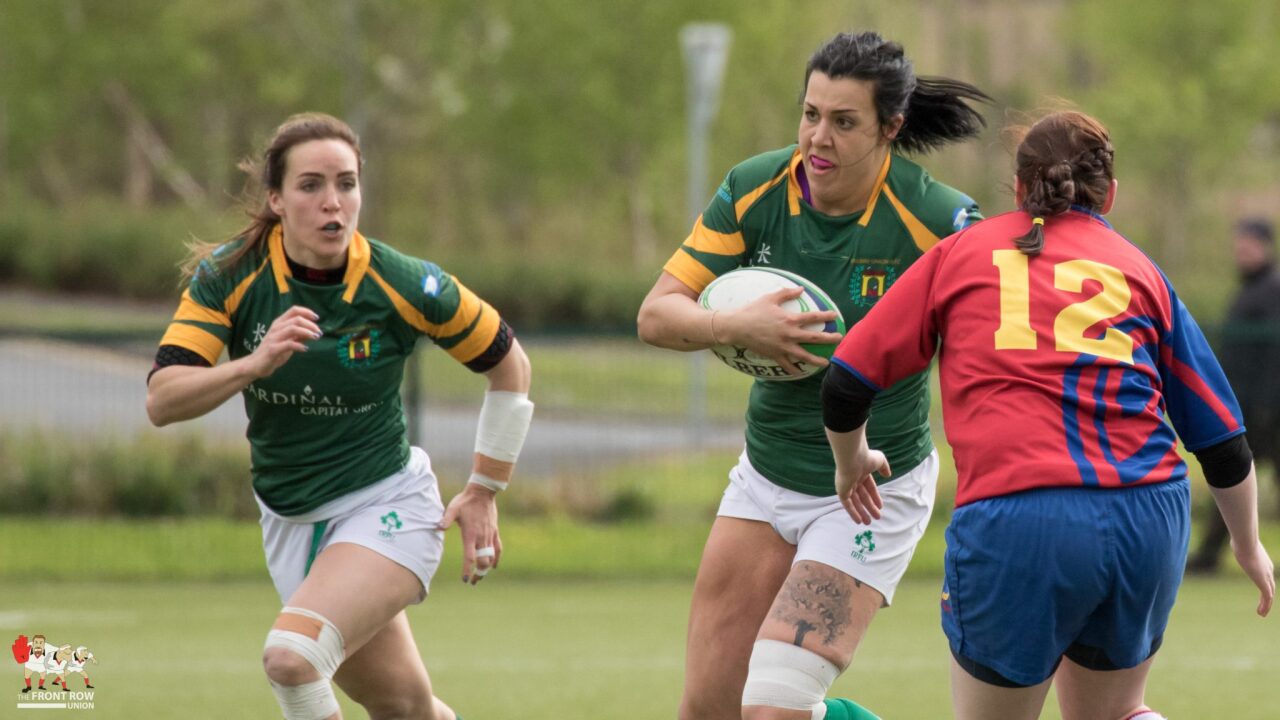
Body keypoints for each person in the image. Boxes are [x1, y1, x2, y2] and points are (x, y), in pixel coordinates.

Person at [821, 110, 1275, 720]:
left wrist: (851, 463)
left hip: (1020, 517)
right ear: (1109, 193)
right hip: (1148, 515)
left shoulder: (962, 253)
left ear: (1017, 187)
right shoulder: (1141, 271)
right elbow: (1224, 444)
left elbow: (846, 382)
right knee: (1116, 713)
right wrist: (1248, 546)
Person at [637, 31, 989, 720]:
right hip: (766, 478)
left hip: (868, 489)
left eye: (843, 121)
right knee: (708, 710)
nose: (817, 138)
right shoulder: (754, 188)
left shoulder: (936, 220)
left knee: (773, 705)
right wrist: (731, 327)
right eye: (810, 114)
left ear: (891, 127)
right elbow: (656, 315)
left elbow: (996, 341)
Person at [146, 112, 533, 720]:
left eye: (347, 184)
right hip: (291, 521)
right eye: (311, 186)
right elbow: (164, 399)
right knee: (407, 708)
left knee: (292, 659)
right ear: (275, 199)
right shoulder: (230, 277)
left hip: (389, 506)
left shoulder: (403, 282)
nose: (334, 202)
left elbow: (510, 366)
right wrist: (253, 364)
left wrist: (485, 488)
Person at [1188, 217, 1280, 572]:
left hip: (1266, 407)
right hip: (1246, 404)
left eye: (1249, 246)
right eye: (1239, 246)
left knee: (1234, 473)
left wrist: (1266, 404)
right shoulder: (1249, 290)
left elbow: (1273, 354)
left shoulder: (1271, 289)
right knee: (1233, 474)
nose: (1242, 252)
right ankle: (1211, 554)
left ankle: (1211, 554)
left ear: (1265, 247)